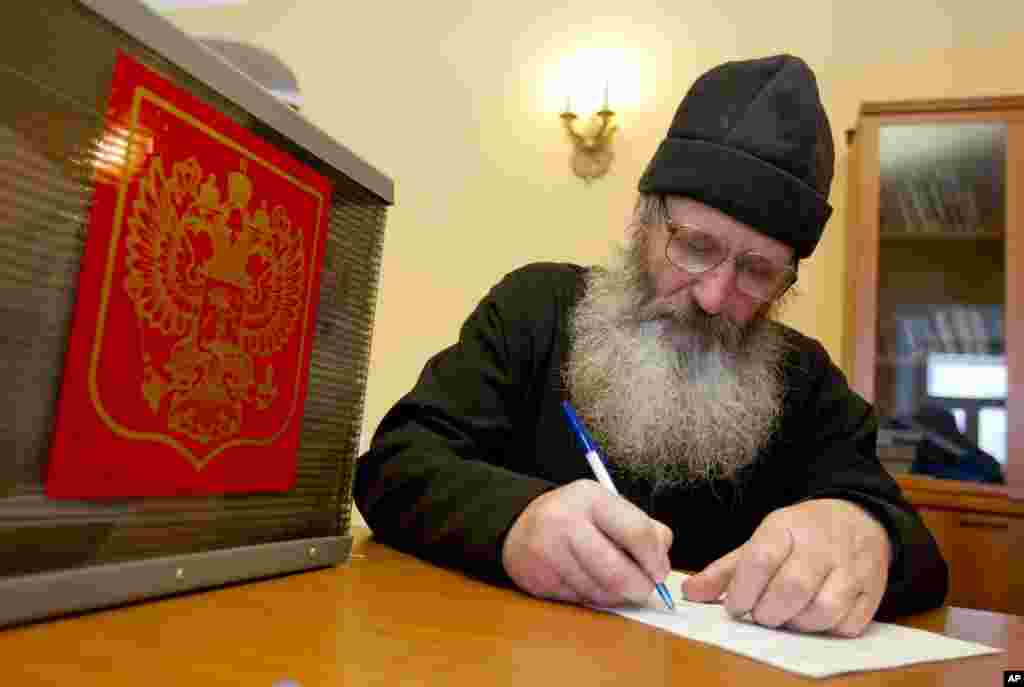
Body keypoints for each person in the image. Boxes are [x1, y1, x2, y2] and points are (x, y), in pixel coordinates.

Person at [354, 54, 948, 637]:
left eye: (757, 271)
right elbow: (395, 465)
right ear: (645, 221)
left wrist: (862, 530)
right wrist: (513, 521)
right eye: (695, 245)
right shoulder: (535, 308)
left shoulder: (806, 380)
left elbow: (920, 557)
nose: (715, 296)